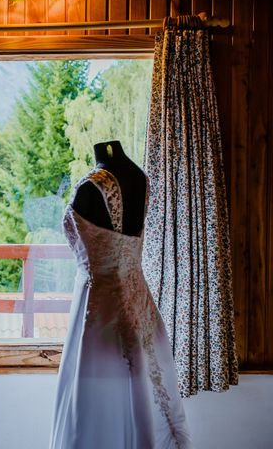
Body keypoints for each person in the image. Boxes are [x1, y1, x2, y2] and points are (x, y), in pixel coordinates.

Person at [49, 140, 192, 448]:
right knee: (140, 388)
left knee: (97, 402)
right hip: (138, 298)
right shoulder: (140, 178)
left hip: (100, 309)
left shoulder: (90, 186)